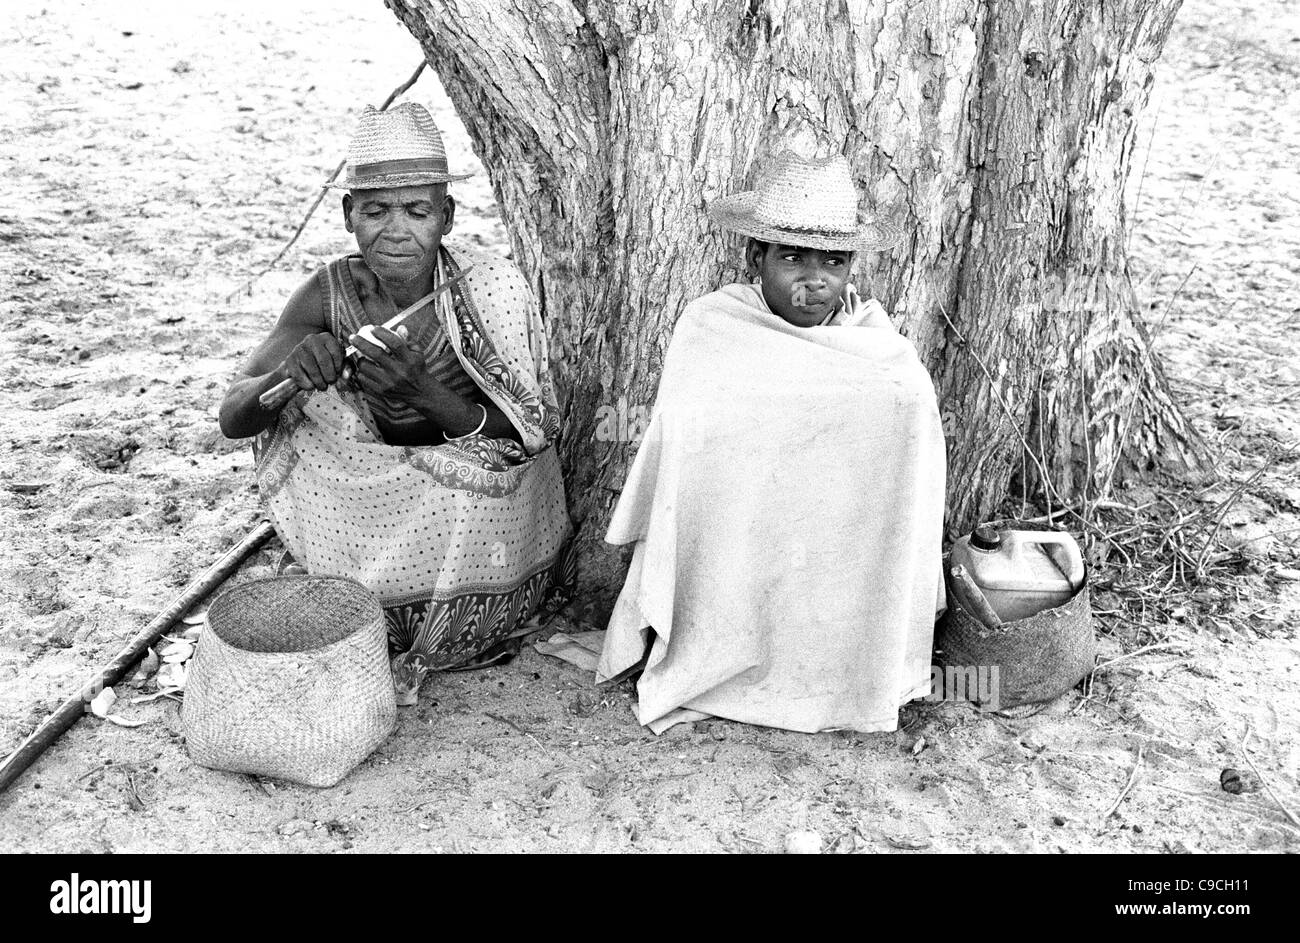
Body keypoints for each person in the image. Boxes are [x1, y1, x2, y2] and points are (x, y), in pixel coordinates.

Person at [220, 103, 572, 704]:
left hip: (462, 521)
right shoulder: (327, 291)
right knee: (300, 414)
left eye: (418, 211)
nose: (397, 231)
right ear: (349, 215)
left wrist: (424, 394)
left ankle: (427, 619)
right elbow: (234, 417)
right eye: (377, 210)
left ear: (447, 217)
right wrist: (291, 370)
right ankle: (360, 594)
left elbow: (526, 441)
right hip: (365, 504)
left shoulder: (489, 289)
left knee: (480, 467)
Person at [596, 150, 946, 734]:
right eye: (790, 257)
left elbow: (909, 461)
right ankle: (724, 653)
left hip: (842, 557)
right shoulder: (713, 328)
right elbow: (689, 459)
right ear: (756, 257)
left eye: (832, 261)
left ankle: (841, 665)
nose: (813, 280)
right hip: (737, 544)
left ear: (851, 265)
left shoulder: (881, 352)